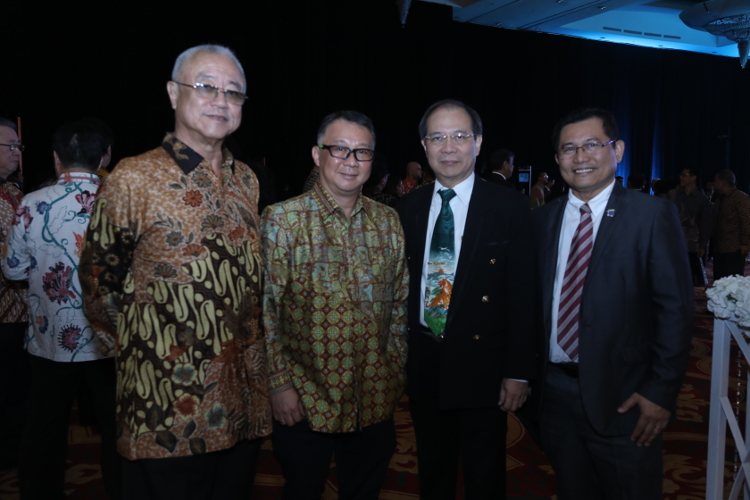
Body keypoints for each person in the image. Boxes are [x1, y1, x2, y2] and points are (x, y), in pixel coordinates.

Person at [79, 44, 271, 499]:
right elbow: (98, 284)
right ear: (172, 92)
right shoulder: (133, 177)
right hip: (166, 407)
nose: (221, 101)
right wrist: (151, 351)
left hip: (243, 398)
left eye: (233, 92)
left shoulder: (246, 179)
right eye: (206, 86)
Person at [529, 108, 693, 500]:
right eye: (568, 148)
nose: (580, 157)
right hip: (554, 394)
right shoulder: (541, 220)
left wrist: (661, 392)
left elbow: (675, 311)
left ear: (616, 150)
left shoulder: (651, 215)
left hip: (627, 398)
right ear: (557, 159)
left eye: (591, 145)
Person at [261, 110, 409, 499]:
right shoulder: (282, 220)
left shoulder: (388, 222)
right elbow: (265, 310)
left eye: (362, 152)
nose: (351, 161)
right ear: (317, 154)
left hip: (373, 396)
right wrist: (279, 385)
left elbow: (399, 303)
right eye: (339, 149)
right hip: (304, 396)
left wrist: (394, 370)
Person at [398, 99, 535, 499]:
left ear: (477, 142)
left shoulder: (508, 206)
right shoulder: (408, 207)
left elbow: (524, 295)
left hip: (484, 366)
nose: (449, 147)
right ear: (424, 146)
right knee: (433, 472)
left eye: (459, 136)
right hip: (425, 361)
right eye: (437, 137)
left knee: (484, 475)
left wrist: (518, 372)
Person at [2, 120, 121, 499]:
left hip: (50, 337)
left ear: (56, 158)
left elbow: (13, 270)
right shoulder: (123, 201)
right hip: (110, 339)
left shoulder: (32, 203)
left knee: (43, 429)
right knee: (117, 428)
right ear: (105, 156)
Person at [0, 117, 28, 471]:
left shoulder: (16, 192)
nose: (16, 152)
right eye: (9, 146)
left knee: (18, 390)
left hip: (22, 313)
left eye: (18, 146)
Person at [667, 167, 712, 286]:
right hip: (674, 240)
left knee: (692, 277)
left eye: (684, 175)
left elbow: (704, 223)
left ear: (693, 178)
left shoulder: (701, 198)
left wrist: (703, 245)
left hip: (693, 243)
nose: (681, 177)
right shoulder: (673, 194)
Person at [711, 169, 750, 281]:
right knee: (719, 282)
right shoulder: (719, 199)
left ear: (723, 182)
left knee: (732, 282)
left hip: (734, 248)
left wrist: (745, 243)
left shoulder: (740, 197)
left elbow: (746, 221)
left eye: (715, 180)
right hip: (719, 247)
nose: (713, 183)